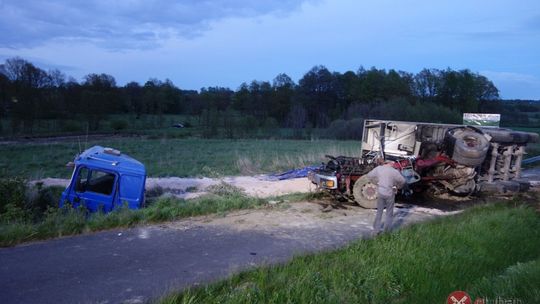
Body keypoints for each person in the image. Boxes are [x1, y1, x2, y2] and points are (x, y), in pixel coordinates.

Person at [366, 158, 406, 234]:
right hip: (390, 193)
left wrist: (376, 182)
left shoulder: (378, 169)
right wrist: (398, 186)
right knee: (389, 213)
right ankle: (386, 232)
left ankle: (375, 230)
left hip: (381, 192)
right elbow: (403, 181)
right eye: (393, 163)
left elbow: (369, 176)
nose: (394, 165)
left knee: (379, 212)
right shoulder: (394, 171)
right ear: (391, 163)